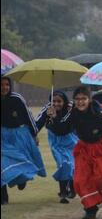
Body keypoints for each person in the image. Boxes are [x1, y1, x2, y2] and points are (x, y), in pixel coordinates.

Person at [62, 86, 102, 219]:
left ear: (89, 99)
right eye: (77, 99)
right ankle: (90, 208)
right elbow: (62, 128)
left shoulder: (99, 111)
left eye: (83, 99)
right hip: (84, 148)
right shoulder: (72, 113)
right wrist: (52, 117)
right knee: (80, 180)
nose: (80, 102)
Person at [1, 76, 45, 205]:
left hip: (19, 134)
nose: (4, 87)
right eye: (2, 85)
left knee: (21, 159)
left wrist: (34, 134)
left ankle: (22, 179)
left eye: (7, 85)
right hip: (3, 135)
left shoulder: (17, 98)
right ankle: (3, 197)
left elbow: (28, 116)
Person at [35, 90, 78, 203]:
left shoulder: (71, 108)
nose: (56, 104)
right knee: (62, 164)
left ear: (64, 101)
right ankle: (63, 193)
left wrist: (55, 117)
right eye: (53, 101)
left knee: (72, 164)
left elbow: (63, 128)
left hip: (70, 139)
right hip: (55, 141)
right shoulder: (48, 108)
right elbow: (37, 124)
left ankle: (72, 187)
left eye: (59, 101)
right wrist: (34, 135)